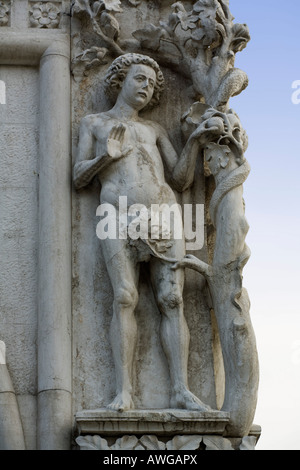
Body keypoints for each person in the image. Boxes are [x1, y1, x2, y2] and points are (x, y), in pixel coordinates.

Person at [73, 53, 217, 412]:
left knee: (172, 300)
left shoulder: (155, 130)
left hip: (163, 214)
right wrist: (106, 156)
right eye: (140, 79)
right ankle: (124, 392)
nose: (146, 87)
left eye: (151, 84)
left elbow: (180, 178)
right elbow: (77, 177)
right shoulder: (95, 123)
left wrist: (196, 141)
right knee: (124, 297)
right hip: (116, 215)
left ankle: (181, 390)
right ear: (120, 81)